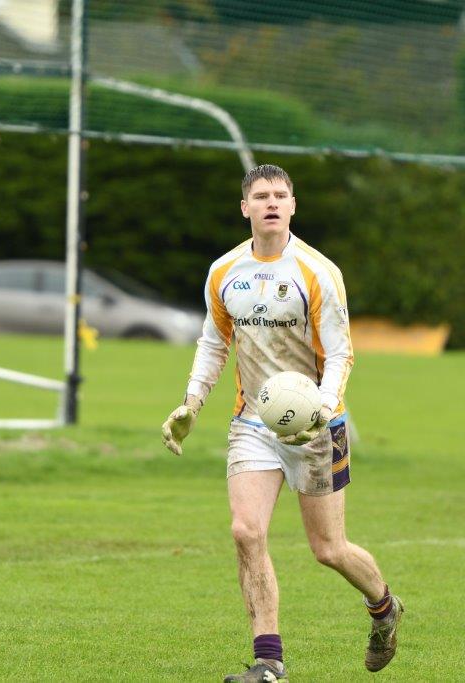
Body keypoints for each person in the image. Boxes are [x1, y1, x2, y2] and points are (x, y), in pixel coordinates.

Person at [161, 164, 403, 681]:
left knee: (328, 549)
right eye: (261, 195)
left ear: (293, 206)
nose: (272, 202)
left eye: (281, 195)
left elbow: (341, 354)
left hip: (318, 425)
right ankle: (269, 663)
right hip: (253, 422)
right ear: (245, 207)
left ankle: (384, 607)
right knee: (246, 532)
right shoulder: (224, 271)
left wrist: (321, 406)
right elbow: (213, 343)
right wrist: (190, 404)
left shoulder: (317, 271)